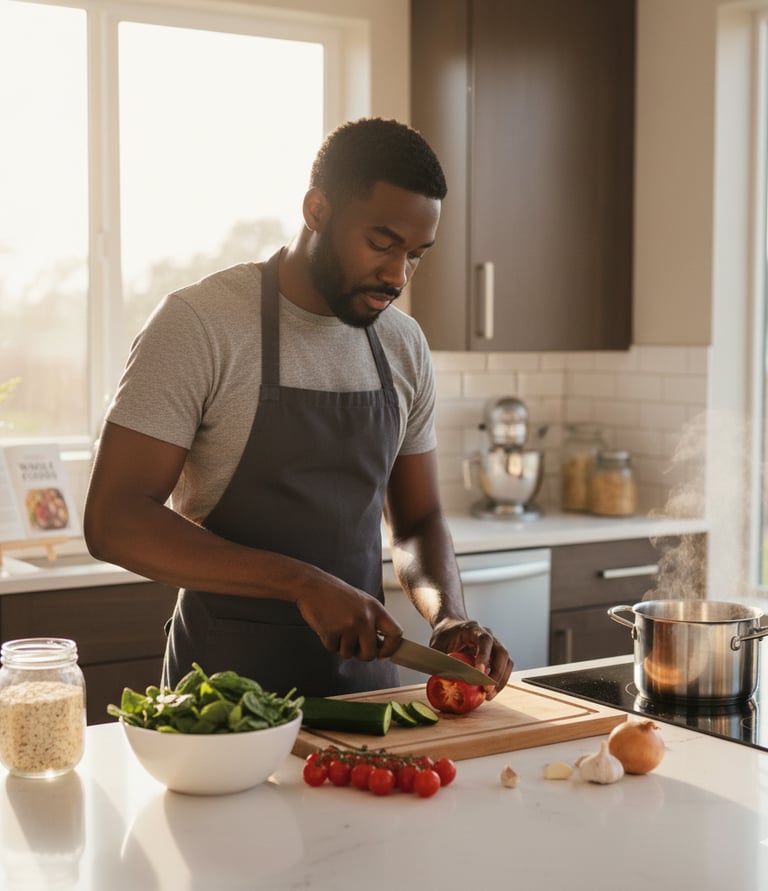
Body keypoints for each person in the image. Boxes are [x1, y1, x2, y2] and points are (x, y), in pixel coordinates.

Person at [84, 117, 514, 699]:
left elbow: (416, 521)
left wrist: (447, 614)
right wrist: (300, 583)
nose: (397, 275)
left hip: (365, 697)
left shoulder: (403, 345)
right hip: (217, 704)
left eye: (416, 255)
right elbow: (114, 522)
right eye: (382, 243)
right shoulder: (201, 325)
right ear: (317, 210)